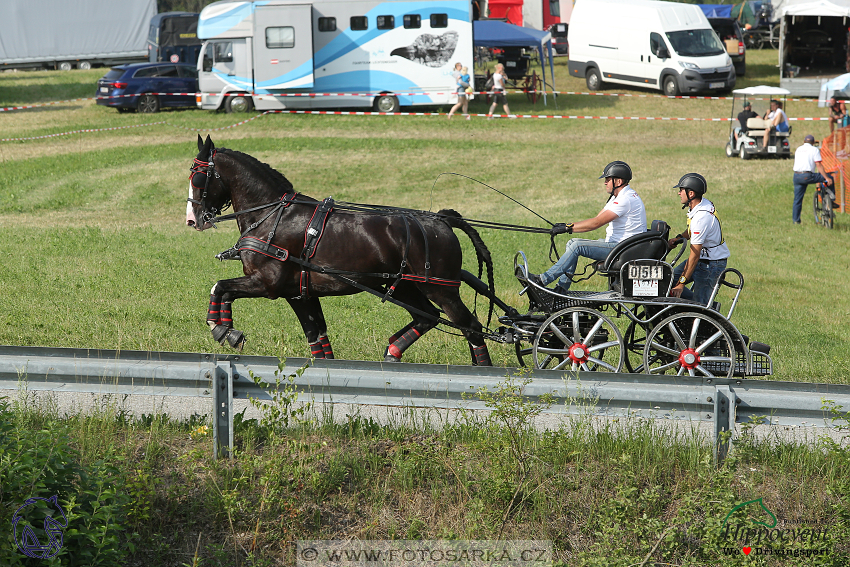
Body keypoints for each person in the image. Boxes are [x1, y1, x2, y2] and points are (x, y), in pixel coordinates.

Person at [526, 161, 647, 293]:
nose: (605, 182)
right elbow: (597, 218)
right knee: (572, 243)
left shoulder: (626, 199)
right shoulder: (618, 196)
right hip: (618, 246)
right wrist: (566, 226)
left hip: (621, 250)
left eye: (607, 179)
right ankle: (561, 289)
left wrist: (568, 228)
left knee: (577, 246)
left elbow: (596, 223)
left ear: (618, 181)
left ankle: (542, 280)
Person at [667, 173, 730, 306]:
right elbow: (692, 230)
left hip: (710, 265)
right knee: (667, 281)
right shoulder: (702, 205)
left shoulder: (701, 218)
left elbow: (694, 255)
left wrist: (682, 283)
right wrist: (679, 239)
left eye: (681, 190)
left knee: (700, 306)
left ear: (691, 194)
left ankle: (709, 309)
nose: (679, 193)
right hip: (703, 260)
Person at [792, 134, 835, 224]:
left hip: (796, 176)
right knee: (829, 177)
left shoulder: (798, 149)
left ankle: (796, 221)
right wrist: (826, 177)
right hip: (807, 176)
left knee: (797, 200)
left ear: (804, 142)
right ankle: (830, 200)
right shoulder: (814, 150)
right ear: (813, 142)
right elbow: (818, 165)